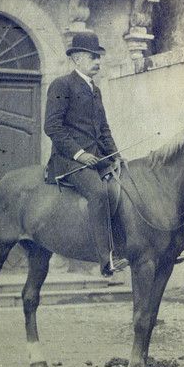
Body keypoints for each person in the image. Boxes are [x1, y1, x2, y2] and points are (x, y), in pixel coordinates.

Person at [44, 34, 128, 276]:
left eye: (98, 57)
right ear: (78, 58)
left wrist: (116, 156)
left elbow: (103, 130)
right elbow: (52, 127)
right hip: (69, 161)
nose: (98, 62)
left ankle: (126, 248)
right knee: (99, 193)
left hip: (97, 159)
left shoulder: (95, 90)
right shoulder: (62, 85)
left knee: (126, 185)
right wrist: (79, 154)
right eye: (93, 57)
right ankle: (106, 260)